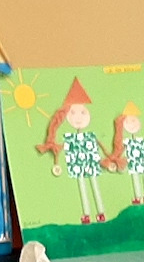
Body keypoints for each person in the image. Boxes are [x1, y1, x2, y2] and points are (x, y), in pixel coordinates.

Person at [38, 77, 106, 225]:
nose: (78, 118)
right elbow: (63, 147)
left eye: (82, 112)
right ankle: (86, 214)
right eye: (73, 113)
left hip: (91, 162)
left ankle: (101, 212)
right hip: (77, 164)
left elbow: (100, 145)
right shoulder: (70, 138)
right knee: (82, 185)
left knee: (94, 183)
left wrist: (108, 157)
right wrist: (55, 156)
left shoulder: (89, 136)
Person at [108, 101, 144, 205]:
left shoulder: (140, 140)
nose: (131, 125)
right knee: (135, 176)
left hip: (143, 159)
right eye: (128, 122)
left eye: (133, 121)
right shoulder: (127, 142)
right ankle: (138, 197)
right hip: (133, 161)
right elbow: (122, 149)